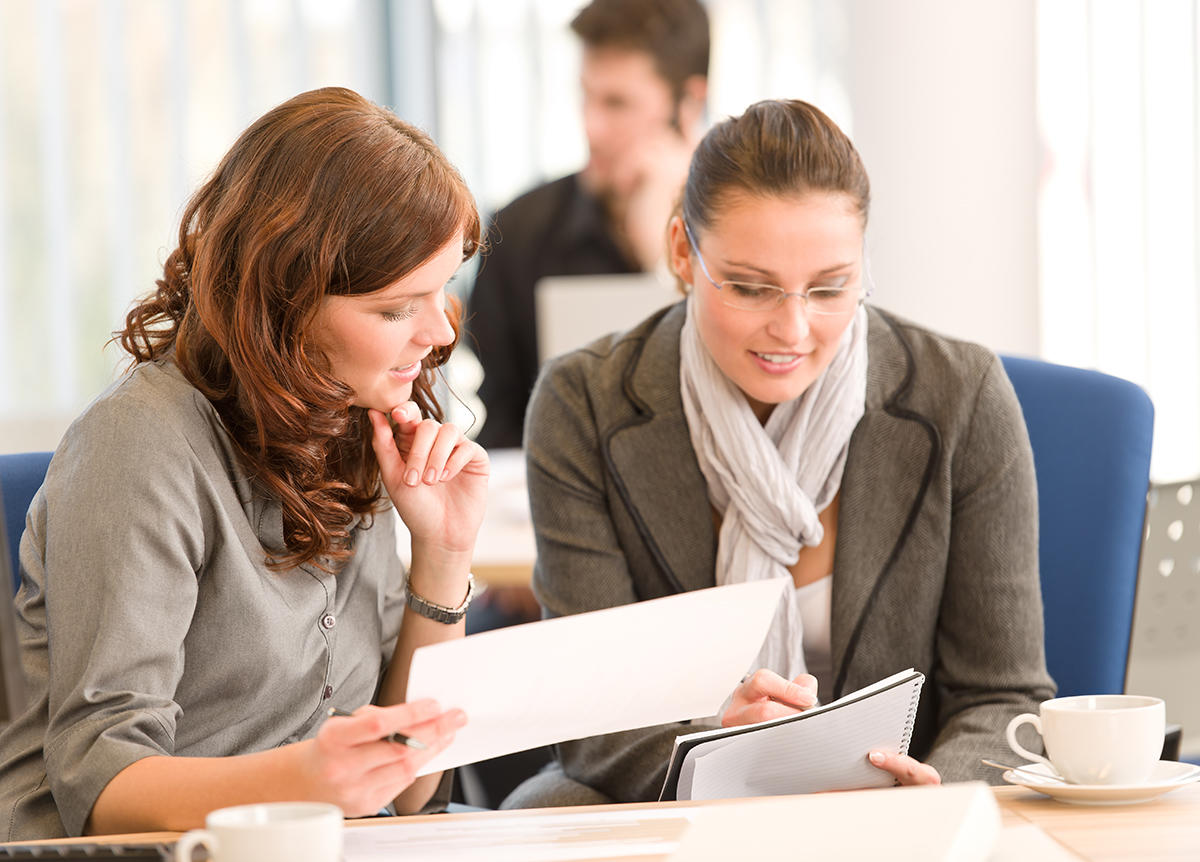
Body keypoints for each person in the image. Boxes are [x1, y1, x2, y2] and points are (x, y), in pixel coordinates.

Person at [504, 98, 1056, 807]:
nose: (793, 329)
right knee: (538, 813)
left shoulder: (961, 395)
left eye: (830, 288)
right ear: (682, 251)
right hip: (676, 787)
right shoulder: (585, 401)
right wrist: (715, 745)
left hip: (898, 797)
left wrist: (931, 794)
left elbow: (1003, 694)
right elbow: (594, 719)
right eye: (750, 286)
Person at [0, 87, 489, 840]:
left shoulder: (356, 418)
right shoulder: (138, 446)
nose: (437, 332)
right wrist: (307, 781)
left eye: (443, 291)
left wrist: (444, 555)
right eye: (396, 308)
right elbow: (99, 782)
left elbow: (415, 787)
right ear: (284, 301)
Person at [467, 0, 710, 449]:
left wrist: (657, 257)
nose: (591, 126)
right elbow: (501, 430)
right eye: (585, 95)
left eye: (617, 103)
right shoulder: (517, 233)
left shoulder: (732, 236)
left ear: (689, 103)